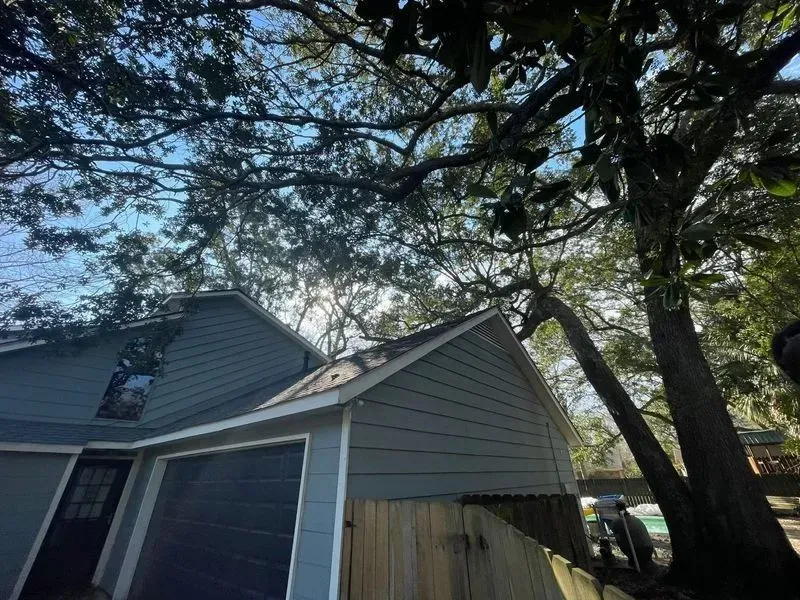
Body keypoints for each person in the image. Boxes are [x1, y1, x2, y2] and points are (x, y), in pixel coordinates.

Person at [610, 501, 654, 569]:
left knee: (619, 539)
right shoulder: (636, 519)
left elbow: (618, 537)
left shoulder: (617, 522)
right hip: (649, 549)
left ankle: (634, 561)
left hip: (637, 551)